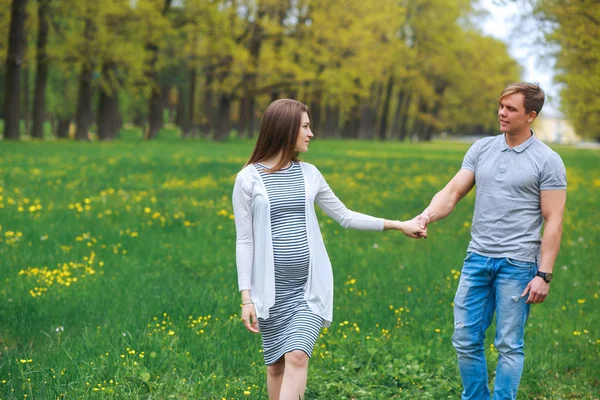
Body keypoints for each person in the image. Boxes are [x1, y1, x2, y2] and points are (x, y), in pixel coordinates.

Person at [232, 99, 426, 400]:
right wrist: (246, 297)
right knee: (276, 367)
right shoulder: (248, 179)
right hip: (269, 292)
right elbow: (244, 240)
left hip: (307, 288)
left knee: (297, 355)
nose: (311, 133)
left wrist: (397, 224)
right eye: (306, 126)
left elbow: (345, 216)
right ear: (286, 129)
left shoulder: (310, 174)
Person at [415, 82, 567, 400]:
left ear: (531, 116)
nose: (502, 112)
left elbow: (554, 219)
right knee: (465, 338)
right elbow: (452, 192)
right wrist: (426, 216)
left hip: (519, 264)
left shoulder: (547, 160)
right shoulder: (482, 149)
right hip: (477, 259)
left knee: (509, 344)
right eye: (501, 106)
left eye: (511, 108)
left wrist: (544, 274)